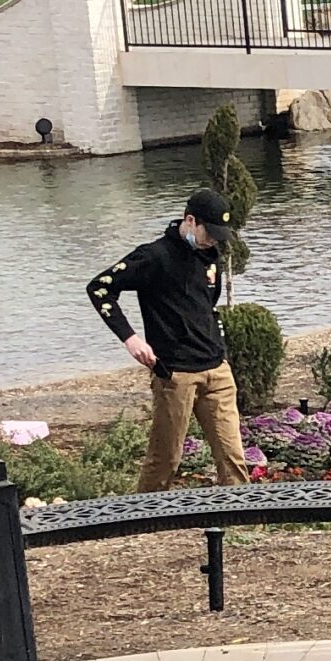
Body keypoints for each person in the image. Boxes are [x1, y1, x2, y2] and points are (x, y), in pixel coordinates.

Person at [86, 186, 252, 492]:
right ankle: (142, 519)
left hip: (217, 371)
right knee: (166, 458)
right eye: (209, 232)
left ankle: (245, 522)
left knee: (233, 458)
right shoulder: (154, 257)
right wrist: (130, 338)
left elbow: (207, 307)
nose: (214, 240)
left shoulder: (210, 258)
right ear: (190, 220)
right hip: (175, 374)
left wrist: (222, 350)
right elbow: (99, 288)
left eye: (219, 234)